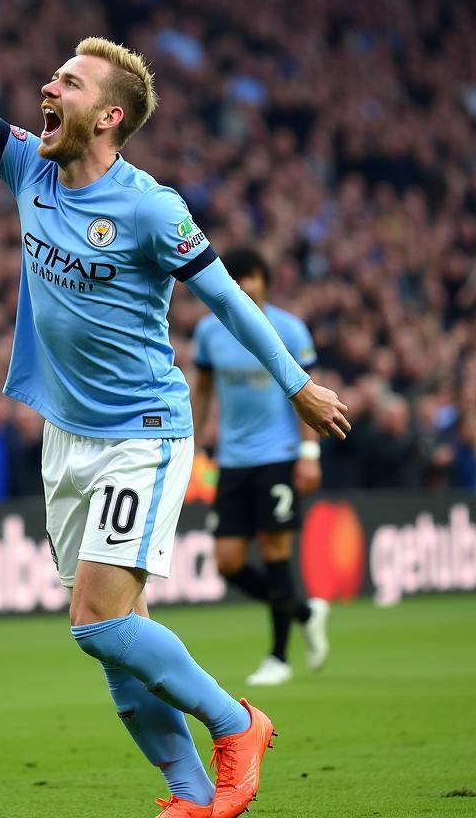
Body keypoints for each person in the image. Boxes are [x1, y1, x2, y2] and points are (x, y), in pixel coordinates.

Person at [0, 0, 350, 818]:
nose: (48, 89)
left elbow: (232, 302)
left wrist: (295, 384)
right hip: (67, 437)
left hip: (145, 434)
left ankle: (239, 722)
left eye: (69, 83)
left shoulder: (150, 207)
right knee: (111, 641)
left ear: (111, 117)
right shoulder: (26, 167)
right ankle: (191, 796)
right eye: (52, 78)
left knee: (98, 621)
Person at [190, 245, 330, 687]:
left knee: (274, 552)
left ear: (266, 282)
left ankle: (279, 657)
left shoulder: (289, 328)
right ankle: (305, 610)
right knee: (228, 562)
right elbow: (204, 389)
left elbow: (308, 394)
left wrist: (309, 454)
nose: (247, 285)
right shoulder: (210, 332)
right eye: (238, 277)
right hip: (232, 458)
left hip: (278, 455)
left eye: (253, 276)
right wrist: (191, 445)